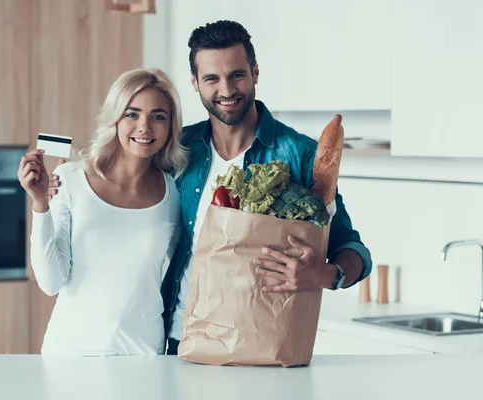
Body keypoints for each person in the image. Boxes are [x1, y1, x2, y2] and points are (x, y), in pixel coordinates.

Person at [48, 20, 372, 356]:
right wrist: (68, 182)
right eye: (212, 79)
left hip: (261, 342)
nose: (227, 90)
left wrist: (327, 275)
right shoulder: (179, 149)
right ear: (195, 83)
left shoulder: (299, 154)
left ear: (255, 72)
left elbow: (353, 249)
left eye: (237, 75)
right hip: (176, 339)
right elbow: (121, 168)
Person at [18, 68, 188, 356]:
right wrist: (40, 205)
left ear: (171, 126)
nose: (144, 127)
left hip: (144, 357)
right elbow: (50, 282)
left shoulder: (173, 193)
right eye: (132, 114)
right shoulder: (70, 178)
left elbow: (180, 276)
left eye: (158, 116)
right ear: (115, 118)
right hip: (70, 355)